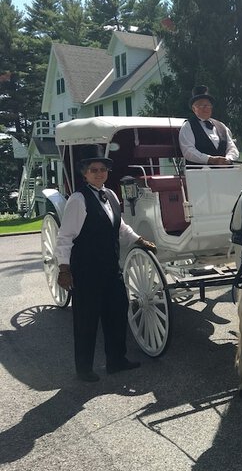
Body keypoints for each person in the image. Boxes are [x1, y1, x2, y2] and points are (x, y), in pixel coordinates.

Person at [56, 146, 157, 382]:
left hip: (111, 267)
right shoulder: (78, 199)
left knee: (117, 311)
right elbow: (65, 236)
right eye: (94, 170)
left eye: (102, 170)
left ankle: (116, 360)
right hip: (86, 270)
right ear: (85, 174)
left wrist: (138, 240)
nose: (99, 173)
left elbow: (120, 226)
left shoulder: (110, 195)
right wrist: (63, 269)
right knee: (86, 319)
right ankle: (84, 369)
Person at [179, 85, 240, 165]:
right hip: (199, 174)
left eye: (208, 105)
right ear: (194, 109)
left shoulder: (221, 126)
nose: (206, 108)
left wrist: (228, 158)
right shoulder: (188, 126)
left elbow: (232, 147)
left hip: (225, 172)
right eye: (201, 105)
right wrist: (209, 159)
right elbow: (188, 151)